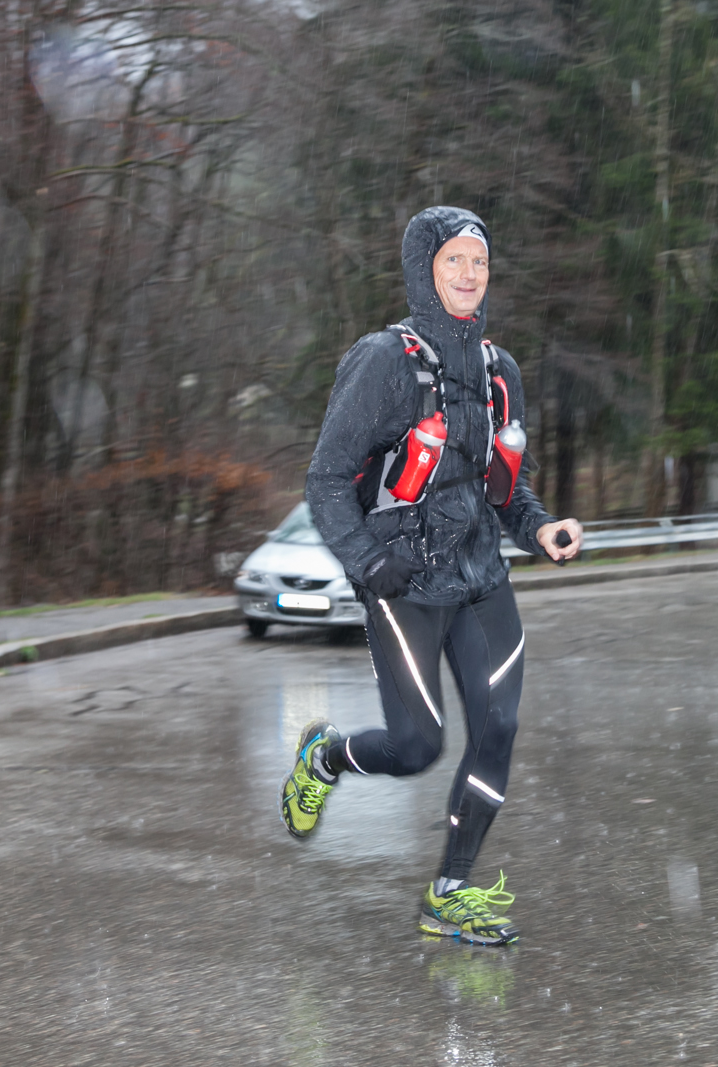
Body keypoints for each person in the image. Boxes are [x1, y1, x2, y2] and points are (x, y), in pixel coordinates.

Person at [279, 206, 583, 945]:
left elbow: (506, 487)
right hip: (405, 583)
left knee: (498, 728)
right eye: (454, 261)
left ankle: (451, 889)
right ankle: (325, 756)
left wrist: (540, 528)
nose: (470, 275)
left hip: (482, 579)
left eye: (480, 261)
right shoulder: (384, 360)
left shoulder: (500, 371)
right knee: (417, 746)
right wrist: (368, 561)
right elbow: (326, 479)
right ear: (425, 269)